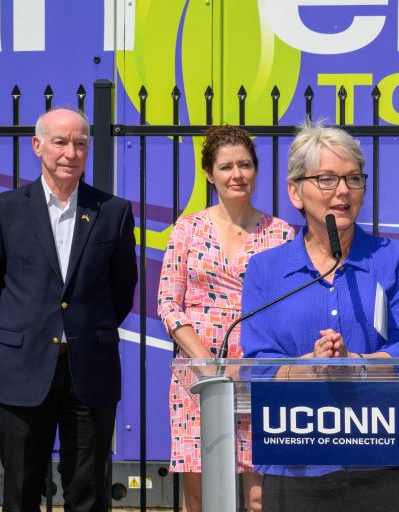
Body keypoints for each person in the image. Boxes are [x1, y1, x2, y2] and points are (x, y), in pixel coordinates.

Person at [240, 123, 399, 512]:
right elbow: (256, 367)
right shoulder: (266, 271)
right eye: (327, 179)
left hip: (381, 454)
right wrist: (307, 368)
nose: (343, 191)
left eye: (353, 179)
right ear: (295, 191)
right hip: (296, 457)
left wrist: (353, 365)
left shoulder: (395, 260)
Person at [0, 107, 138, 511]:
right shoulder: (4, 211)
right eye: (60, 142)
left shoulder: (113, 211)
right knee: (20, 490)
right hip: (21, 372)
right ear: (38, 146)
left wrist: (84, 329)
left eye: (80, 143)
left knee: (87, 491)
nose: (70, 152)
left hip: (89, 370)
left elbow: (122, 289)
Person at [157, 125, 294, 512]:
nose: (237, 174)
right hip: (198, 374)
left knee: (259, 496)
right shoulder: (187, 229)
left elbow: (286, 309)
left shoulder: (281, 234)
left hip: (258, 370)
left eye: (245, 164)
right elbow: (168, 301)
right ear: (209, 173)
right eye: (226, 166)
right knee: (198, 496)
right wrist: (207, 364)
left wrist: (249, 364)